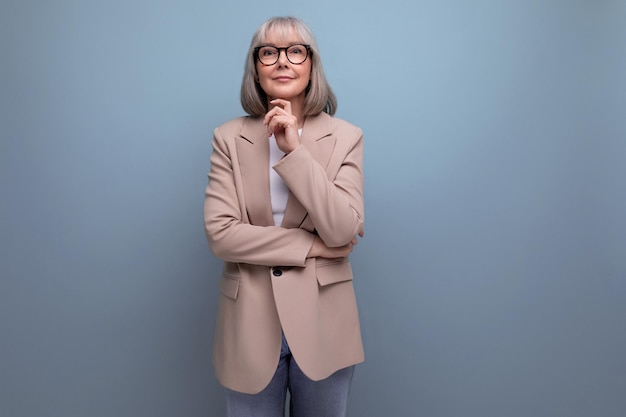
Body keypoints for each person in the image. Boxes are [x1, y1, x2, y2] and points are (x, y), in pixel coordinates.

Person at [203, 16, 365, 417]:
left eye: (295, 51)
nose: (282, 61)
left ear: (311, 66)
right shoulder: (228, 137)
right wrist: (312, 245)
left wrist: (295, 152)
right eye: (269, 52)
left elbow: (343, 226)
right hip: (248, 323)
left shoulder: (345, 137)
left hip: (325, 322)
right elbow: (221, 235)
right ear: (256, 69)